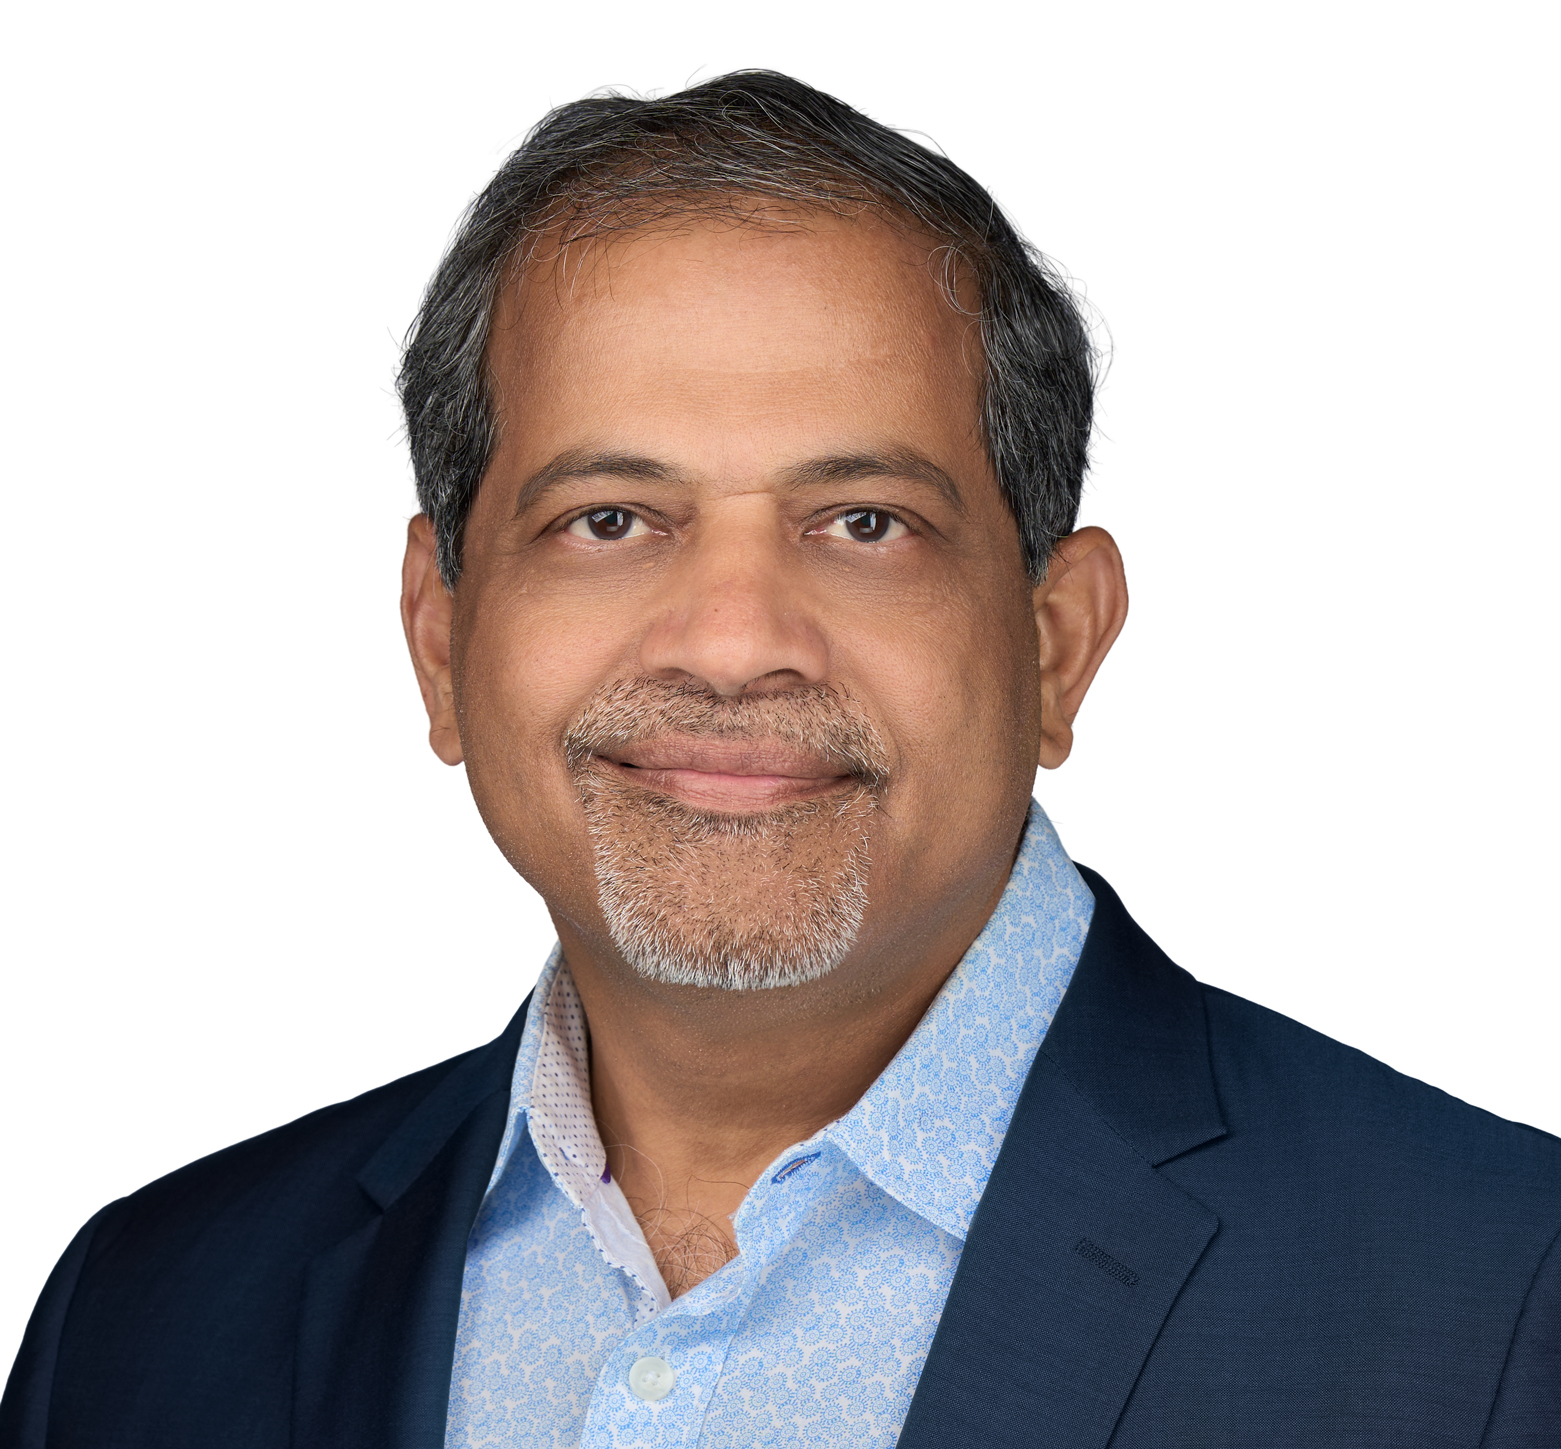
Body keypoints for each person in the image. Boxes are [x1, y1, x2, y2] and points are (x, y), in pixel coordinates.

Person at [4, 69, 1557, 1449]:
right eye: (609, 519)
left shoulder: (1504, 1299)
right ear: (440, 638)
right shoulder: (143, 1317)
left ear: (1054, 642)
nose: (735, 640)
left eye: (862, 523)